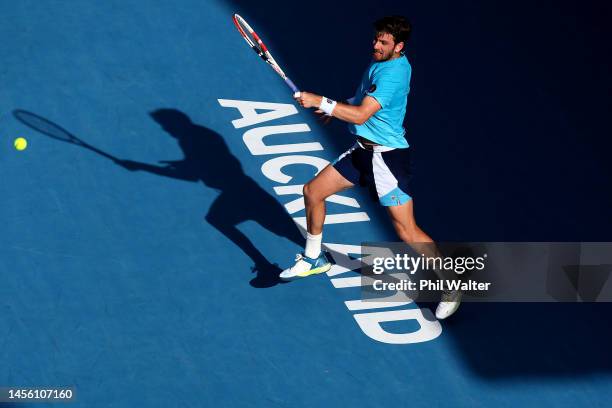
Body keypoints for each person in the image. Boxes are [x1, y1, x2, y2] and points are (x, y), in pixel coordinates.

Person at [280, 15, 461, 319]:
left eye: (383, 42)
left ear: (399, 46)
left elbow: (362, 115)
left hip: (386, 161)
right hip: (361, 153)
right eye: (376, 38)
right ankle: (313, 258)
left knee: (407, 231)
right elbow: (362, 99)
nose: (375, 45)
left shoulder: (394, 74)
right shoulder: (381, 62)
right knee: (313, 192)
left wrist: (321, 102)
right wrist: (337, 106)